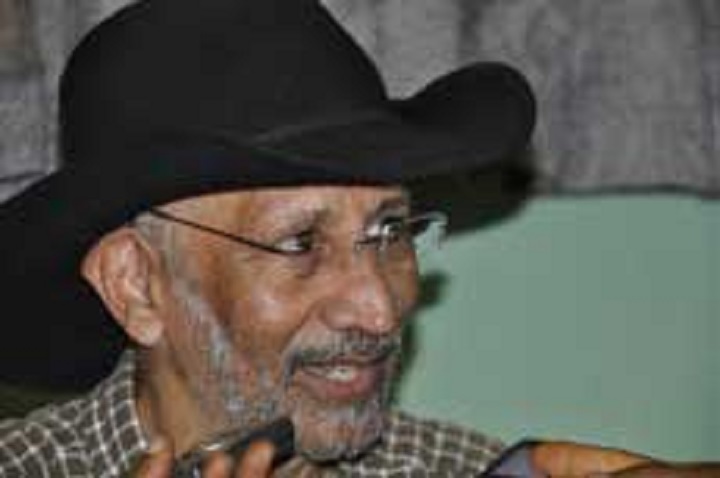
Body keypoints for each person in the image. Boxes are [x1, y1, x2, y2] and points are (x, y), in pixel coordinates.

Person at [0, 0, 717, 477]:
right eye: (300, 243)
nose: (378, 309)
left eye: (389, 230)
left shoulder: (454, 469)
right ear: (136, 284)